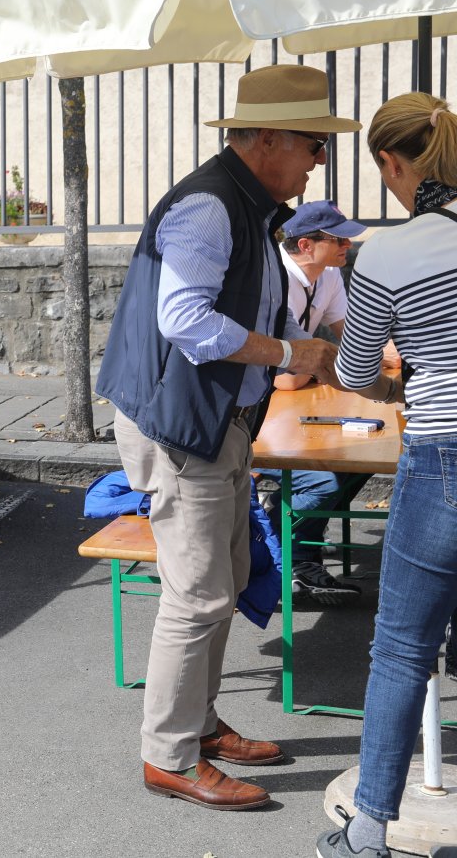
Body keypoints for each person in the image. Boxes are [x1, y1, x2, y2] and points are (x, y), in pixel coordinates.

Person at [96, 64, 352, 811]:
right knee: (201, 593)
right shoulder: (211, 206)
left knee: (223, 582)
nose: (319, 159)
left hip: (216, 422)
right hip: (184, 426)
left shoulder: (245, 206)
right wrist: (288, 352)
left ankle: (199, 727)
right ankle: (169, 754)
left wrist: (293, 349)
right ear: (267, 139)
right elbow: (186, 321)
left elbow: (237, 311)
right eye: (313, 143)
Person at [316, 92, 457, 858]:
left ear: (390, 163)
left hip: (440, 456)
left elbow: (355, 369)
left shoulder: (388, 255)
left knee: (403, 648)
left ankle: (366, 834)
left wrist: (402, 384)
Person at [258, 201, 374, 603]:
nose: (348, 245)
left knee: (359, 459)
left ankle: (298, 549)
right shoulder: (274, 278)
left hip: (294, 408)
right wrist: (328, 360)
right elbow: (285, 379)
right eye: (339, 239)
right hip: (258, 414)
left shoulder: (329, 274)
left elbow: (354, 342)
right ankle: (278, 552)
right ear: (306, 245)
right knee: (323, 480)